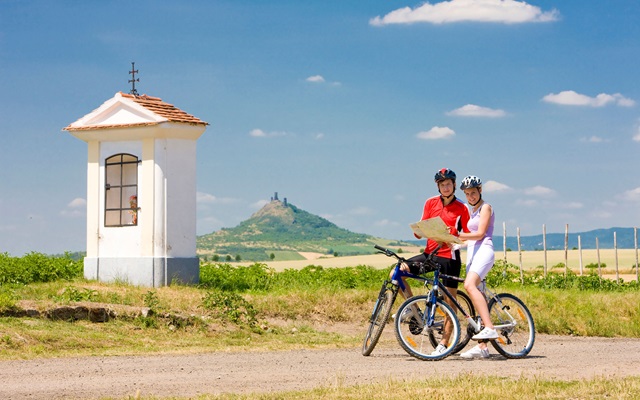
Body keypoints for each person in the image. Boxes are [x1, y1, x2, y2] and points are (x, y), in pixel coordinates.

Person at [393, 168, 470, 356]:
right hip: (430, 254)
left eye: (449, 184)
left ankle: (444, 343)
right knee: (397, 272)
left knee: (449, 302)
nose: (445, 187)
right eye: (442, 184)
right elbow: (420, 228)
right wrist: (418, 231)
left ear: (453, 185)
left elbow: (468, 234)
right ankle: (415, 313)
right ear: (438, 186)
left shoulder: (462, 208)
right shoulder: (430, 203)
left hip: (450, 257)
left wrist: (457, 242)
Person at [456, 175, 496, 359]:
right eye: (467, 194)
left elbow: (480, 234)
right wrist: (454, 241)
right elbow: (467, 239)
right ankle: (482, 348)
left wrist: (460, 234)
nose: (470, 196)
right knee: (475, 297)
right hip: (472, 254)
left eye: (473, 192)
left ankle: (489, 328)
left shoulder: (485, 207)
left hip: (484, 251)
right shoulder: (470, 212)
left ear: (480, 190)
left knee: (469, 285)